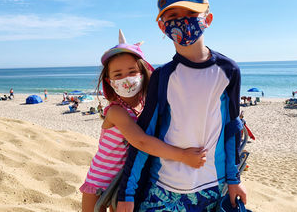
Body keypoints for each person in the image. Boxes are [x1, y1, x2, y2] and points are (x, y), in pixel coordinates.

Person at [117, 0, 246, 212]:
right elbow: (146, 134)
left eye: (190, 12)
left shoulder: (228, 71)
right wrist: (127, 192)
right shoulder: (163, 76)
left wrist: (235, 180)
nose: (182, 20)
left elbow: (231, 128)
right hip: (163, 189)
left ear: (207, 19)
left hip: (212, 188)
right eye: (173, 15)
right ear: (162, 26)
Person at [80, 30, 206, 212]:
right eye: (118, 75)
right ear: (109, 82)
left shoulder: (145, 105)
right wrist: (182, 155)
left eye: (132, 71)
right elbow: (140, 141)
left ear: (143, 73)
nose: (126, 79)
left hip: (124, 180)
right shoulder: (116, 111)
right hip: (99, 180)